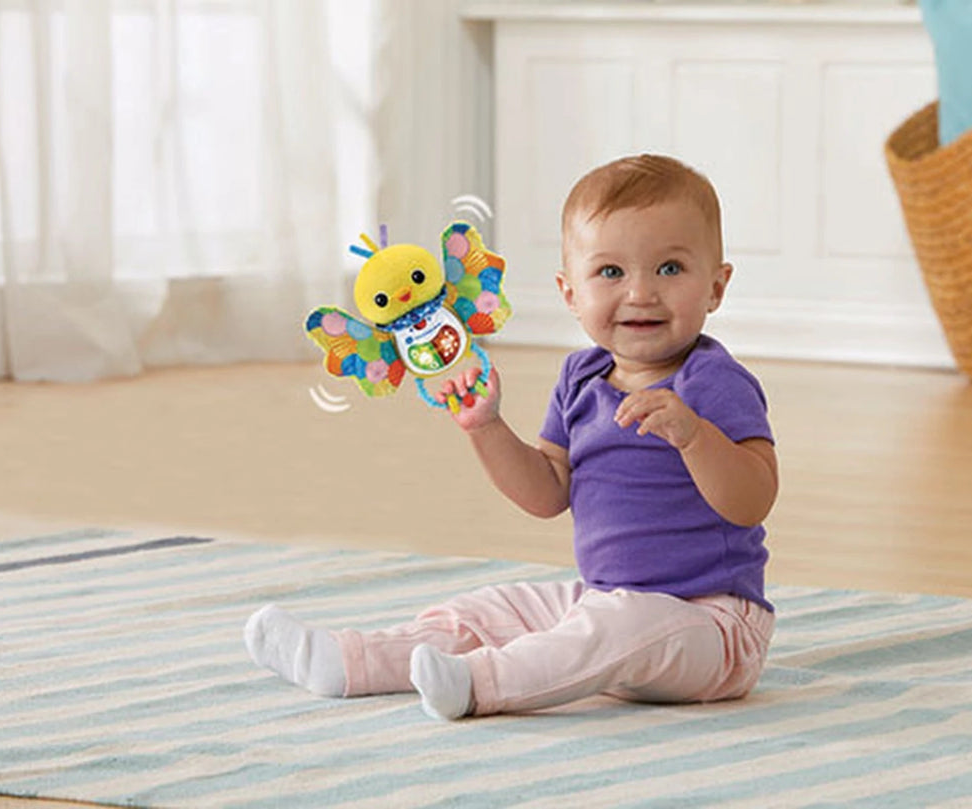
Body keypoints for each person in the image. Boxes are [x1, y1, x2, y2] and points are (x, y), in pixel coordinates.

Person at [245, 154, 780, 720]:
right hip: (604, 601)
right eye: (611, 272)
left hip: (712, 625)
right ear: (570, 293)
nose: (641, 293)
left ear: (716, 287)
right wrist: (486, 426)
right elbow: (547, 493)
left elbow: (753, 500)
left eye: (670, 269)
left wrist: (693, 436)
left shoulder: (714, 381)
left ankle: (479, 684)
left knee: (617, 626)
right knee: (492, 611)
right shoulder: (582, 378)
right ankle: (353, 662)